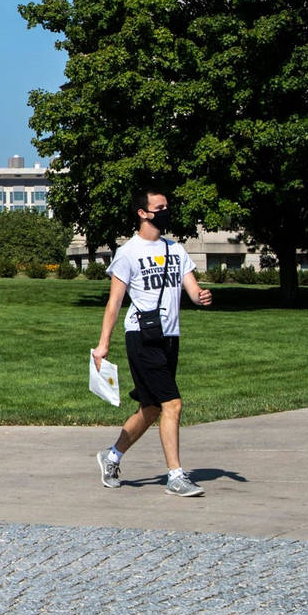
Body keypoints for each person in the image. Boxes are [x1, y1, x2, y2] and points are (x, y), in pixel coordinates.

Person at [92, 190, 214, 497]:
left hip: (170, 337)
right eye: (159, 208)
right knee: (172, 403)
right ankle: (175, 476)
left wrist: (202, 298)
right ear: (143, 213)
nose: (165, 212)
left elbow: (192, 290)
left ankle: (112, 455)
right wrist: (103, 345)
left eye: (166, 207)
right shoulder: (128, 252)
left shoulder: (176, 250)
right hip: (141, 336)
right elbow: (114, 302)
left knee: (151, 408)